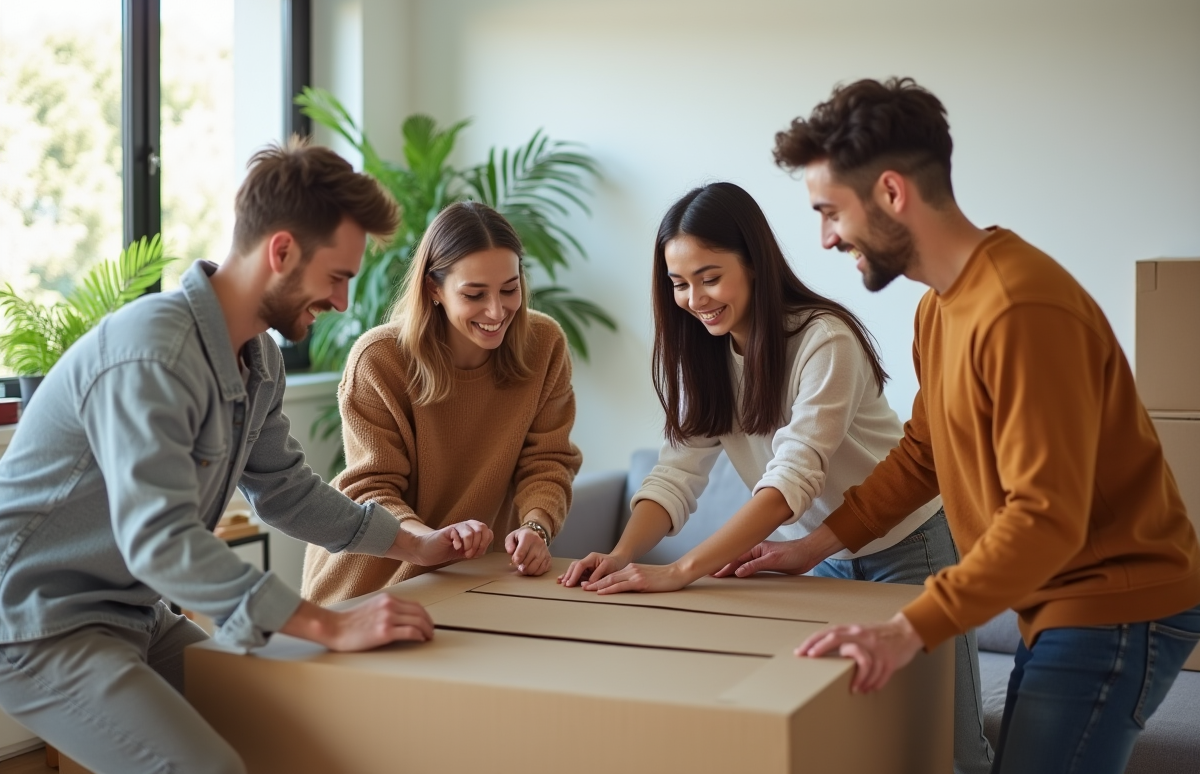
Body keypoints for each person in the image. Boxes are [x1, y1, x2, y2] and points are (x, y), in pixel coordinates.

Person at [0, 139, 494, 774]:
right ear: (281, 251)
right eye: (337, 277)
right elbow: (161, 541)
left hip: (134, 613)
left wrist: (415, 546)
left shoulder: (258, 358)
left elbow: (286, 489)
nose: (343, 302)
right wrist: (329, 625)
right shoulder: (153, 354)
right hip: (38, 623)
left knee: (290, 735)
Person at [764, 77, 1200, 774]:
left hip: (1114, 599)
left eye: (830, 212)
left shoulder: (1020, 308)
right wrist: (811, 546)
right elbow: (923, 455)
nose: (825, 239)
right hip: (1061, 596)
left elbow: (1046, 516)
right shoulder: (940, 307)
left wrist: (910, 628)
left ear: (891, 192)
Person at [559, 181, 992, 774]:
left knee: (954, 749)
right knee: (852, 744)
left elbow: (793, 478)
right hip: (822, 561)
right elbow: (676, 473)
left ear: (755, 264)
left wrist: (681, 570)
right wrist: (621, 554)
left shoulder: (824, 340)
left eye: (710, 277)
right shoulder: (703, 355)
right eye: (679, 284)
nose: (694, 299)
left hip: (910, 547)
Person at [302, 201, 582, 605]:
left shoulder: (544, 346)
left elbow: (548, 460)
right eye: (474, 294)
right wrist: (427, 540)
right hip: (372, 581)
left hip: (470, 581)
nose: (496, 310)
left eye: (509, 289)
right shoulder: (379, 359)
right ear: (434, 289)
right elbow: (372, 488)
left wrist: (537, 527)